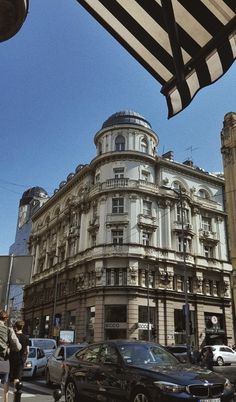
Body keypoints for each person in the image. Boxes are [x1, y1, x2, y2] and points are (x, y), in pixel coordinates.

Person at [0, 309, 21, 402]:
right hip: (4, 360)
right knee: (5, 384)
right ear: (6, 318)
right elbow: (18, 347)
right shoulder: (8, 330)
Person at [9, 320, 29, 391]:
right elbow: (27, 351)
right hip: (20, 360)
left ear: (16, 327)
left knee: (7, 378)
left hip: (11, 358)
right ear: (22, 327)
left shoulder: (12, 336)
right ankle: (15, 394)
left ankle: (6, 397)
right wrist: (25, 360)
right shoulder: (26, 337)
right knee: (17, 378)